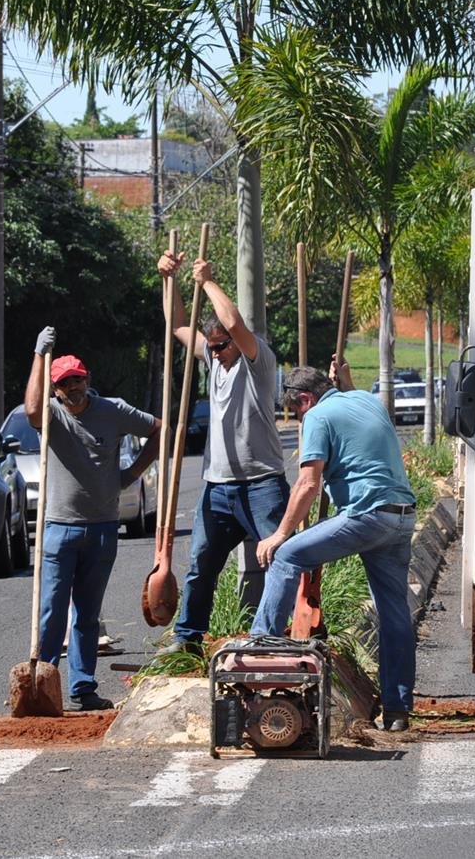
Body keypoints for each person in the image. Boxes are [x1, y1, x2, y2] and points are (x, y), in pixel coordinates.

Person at [252, 359, 418, 732]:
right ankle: (396, 710)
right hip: (402, 516)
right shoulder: (365, 399)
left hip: (367, 515)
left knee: (286, 556)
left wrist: (280, 533)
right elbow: (349, 393)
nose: (297, 419)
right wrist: (343, 378)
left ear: (306, 399)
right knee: (394, 613)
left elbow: (308, 483)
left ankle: (260, 650)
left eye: (295, 410)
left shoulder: (317, 418)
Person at [157, 250, 289, 657]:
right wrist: (169, 281)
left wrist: (208, 282)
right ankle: (188, 638)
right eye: (210, 348)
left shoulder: (257, 360)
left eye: (220, 347)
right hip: (218, 487)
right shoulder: (215, 362)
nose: (213, 353)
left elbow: (232, 321)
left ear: (237, 343)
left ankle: (281, 636)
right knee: (201, 565)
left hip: (262, 482)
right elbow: (179, 325)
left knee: (280, 563)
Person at [26, 326, 159, 711]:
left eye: (78, 380)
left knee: (87, 614)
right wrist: (39, 355)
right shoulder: (51, 415)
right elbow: (33, 410)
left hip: (102, 528)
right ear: (56, 389)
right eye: (65, 383)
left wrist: (131, 474)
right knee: (52, 610)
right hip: (58, 527)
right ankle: (43, 683)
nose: (74, 388)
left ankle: (83, 688)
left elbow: (160, 429)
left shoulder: (113, 410)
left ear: (89, 379)